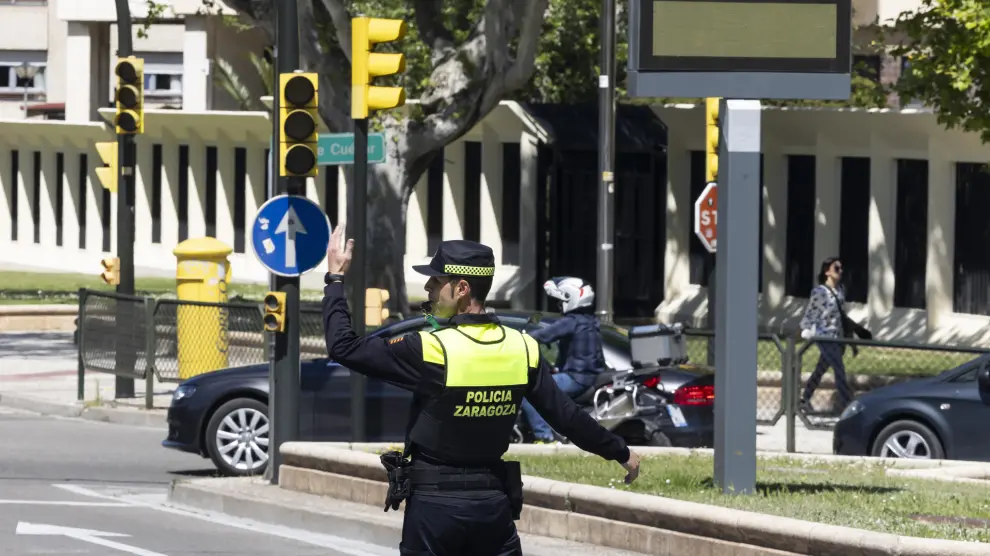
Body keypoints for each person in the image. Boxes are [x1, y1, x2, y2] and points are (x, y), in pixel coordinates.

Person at [321, 226, 640, 556]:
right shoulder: (523, 348)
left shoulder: (430, 349)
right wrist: (620, 451)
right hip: (492, 508)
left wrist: (335, 281)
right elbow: (567, 417)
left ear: (461, 288)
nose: (428, 287)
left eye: (436, 280)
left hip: (434, 510)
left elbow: (344, 347)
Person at [519, 276, 606, 444]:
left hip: (576, 378)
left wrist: (518, 340)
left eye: (560, 301)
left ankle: (544, 437)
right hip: (587, 377)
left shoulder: (570, 322)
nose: (559, 306)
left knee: (529, 392)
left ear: (570, 298)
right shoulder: (590, 321)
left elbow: (541, 336)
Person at [798, 256, 872, 412]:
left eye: (841, 268)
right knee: (839, 369)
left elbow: (842, 317)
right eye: (836, 268)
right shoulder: (819, 291)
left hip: (837, 337)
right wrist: (805, 330)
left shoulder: (841, 290)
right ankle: (847, 403)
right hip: (824, 336)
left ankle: (804, 399)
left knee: (821, 369)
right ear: (827, 272)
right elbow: (811, 313)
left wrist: (851, 342)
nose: (840, 271)